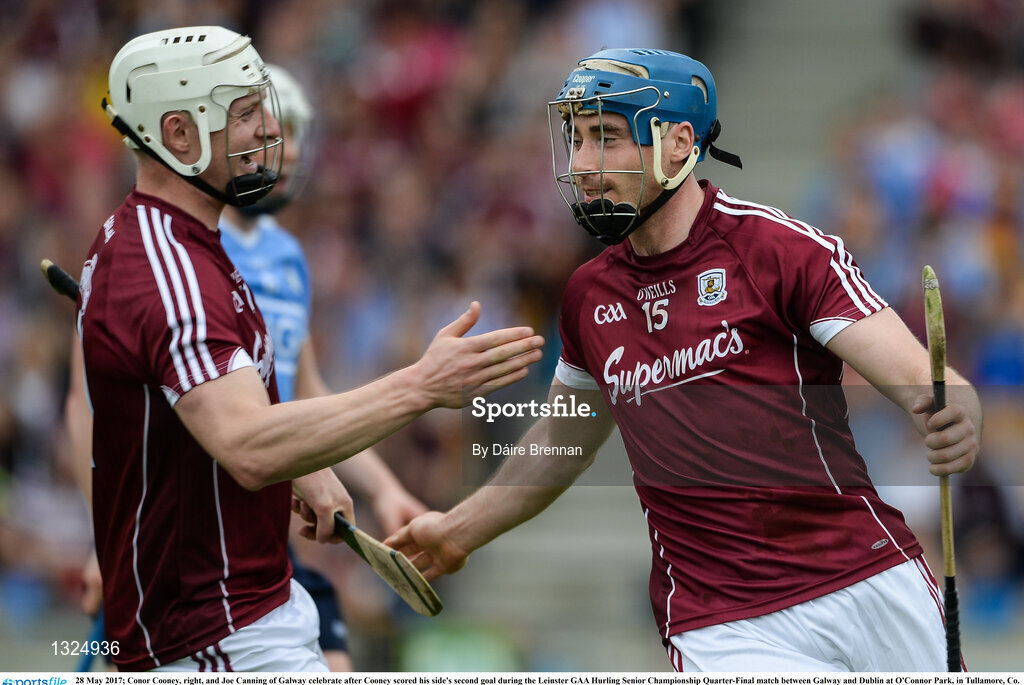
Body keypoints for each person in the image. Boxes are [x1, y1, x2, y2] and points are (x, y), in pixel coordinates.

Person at [386, 48, 983, 672]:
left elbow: (924, 379)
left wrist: (951, 413)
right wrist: (458, 530)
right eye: (577, 140)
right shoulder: (589, 296)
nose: (584, 165)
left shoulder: (780, 252)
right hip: (718, 622)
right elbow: (561, 438)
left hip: (865, 577)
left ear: (677, 144)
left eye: (607, 138)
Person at [75, 26, 543, 672]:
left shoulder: (192, 244)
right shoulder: (170, 271)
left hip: (250, 610)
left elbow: (232, 413)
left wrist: (305, 462)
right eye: (243, 114)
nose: (268, 130)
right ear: (178, 135)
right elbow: (245, 443)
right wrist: (421, 385)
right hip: (213, 636)